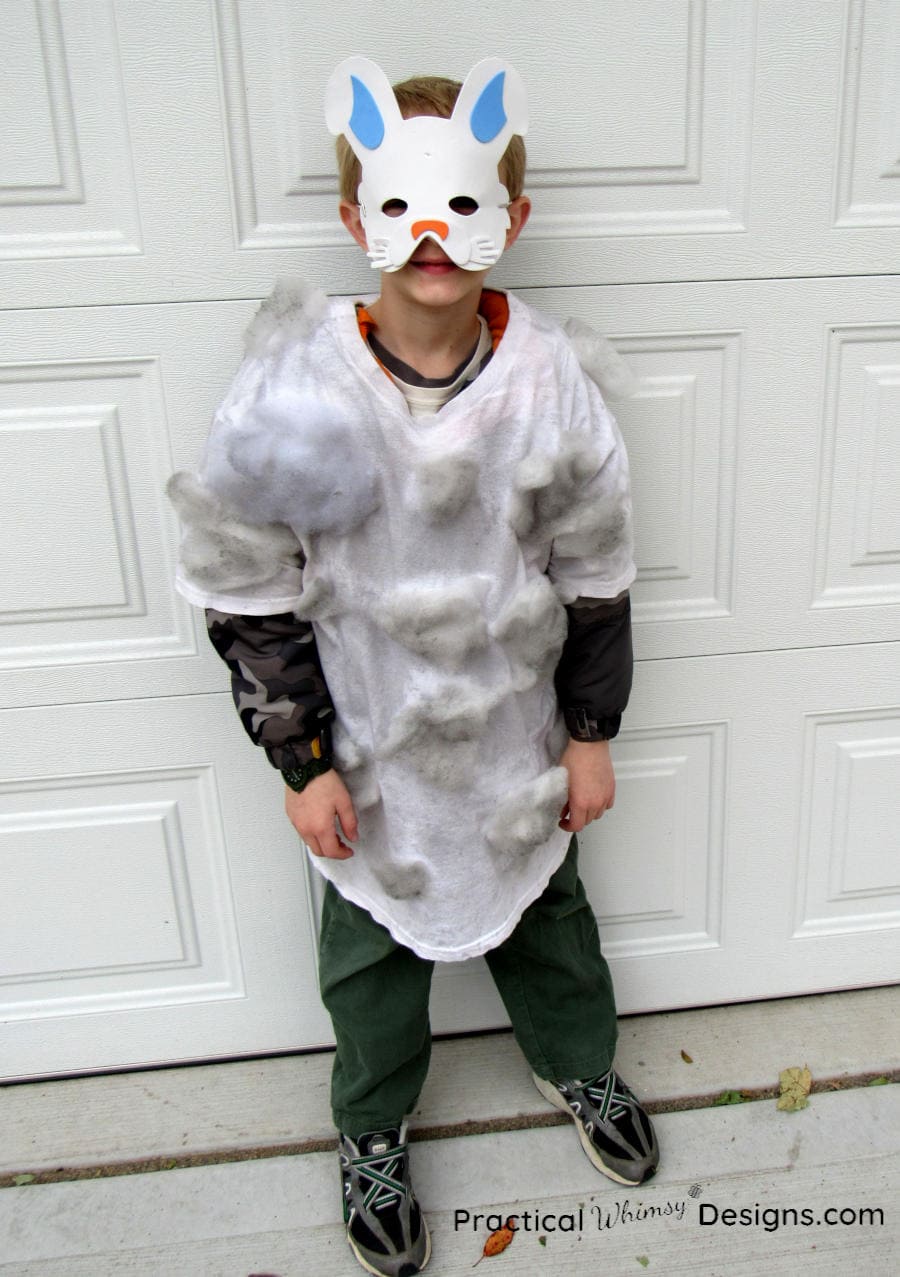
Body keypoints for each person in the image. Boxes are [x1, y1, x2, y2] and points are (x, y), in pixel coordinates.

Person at [169, 54, 658, 1277]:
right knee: (370, 964)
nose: (432, 232)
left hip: (515, 750)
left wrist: (588, 734)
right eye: (398, 205)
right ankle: (373, 1126)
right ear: (355, 219)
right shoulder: (301, 385)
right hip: (372, 756)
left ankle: (578, 1064)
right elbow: (250, 584)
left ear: (511, 218)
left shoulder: (548, 382)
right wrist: (303, 759)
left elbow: (595, 569)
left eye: (461, 203)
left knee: (552, 928)